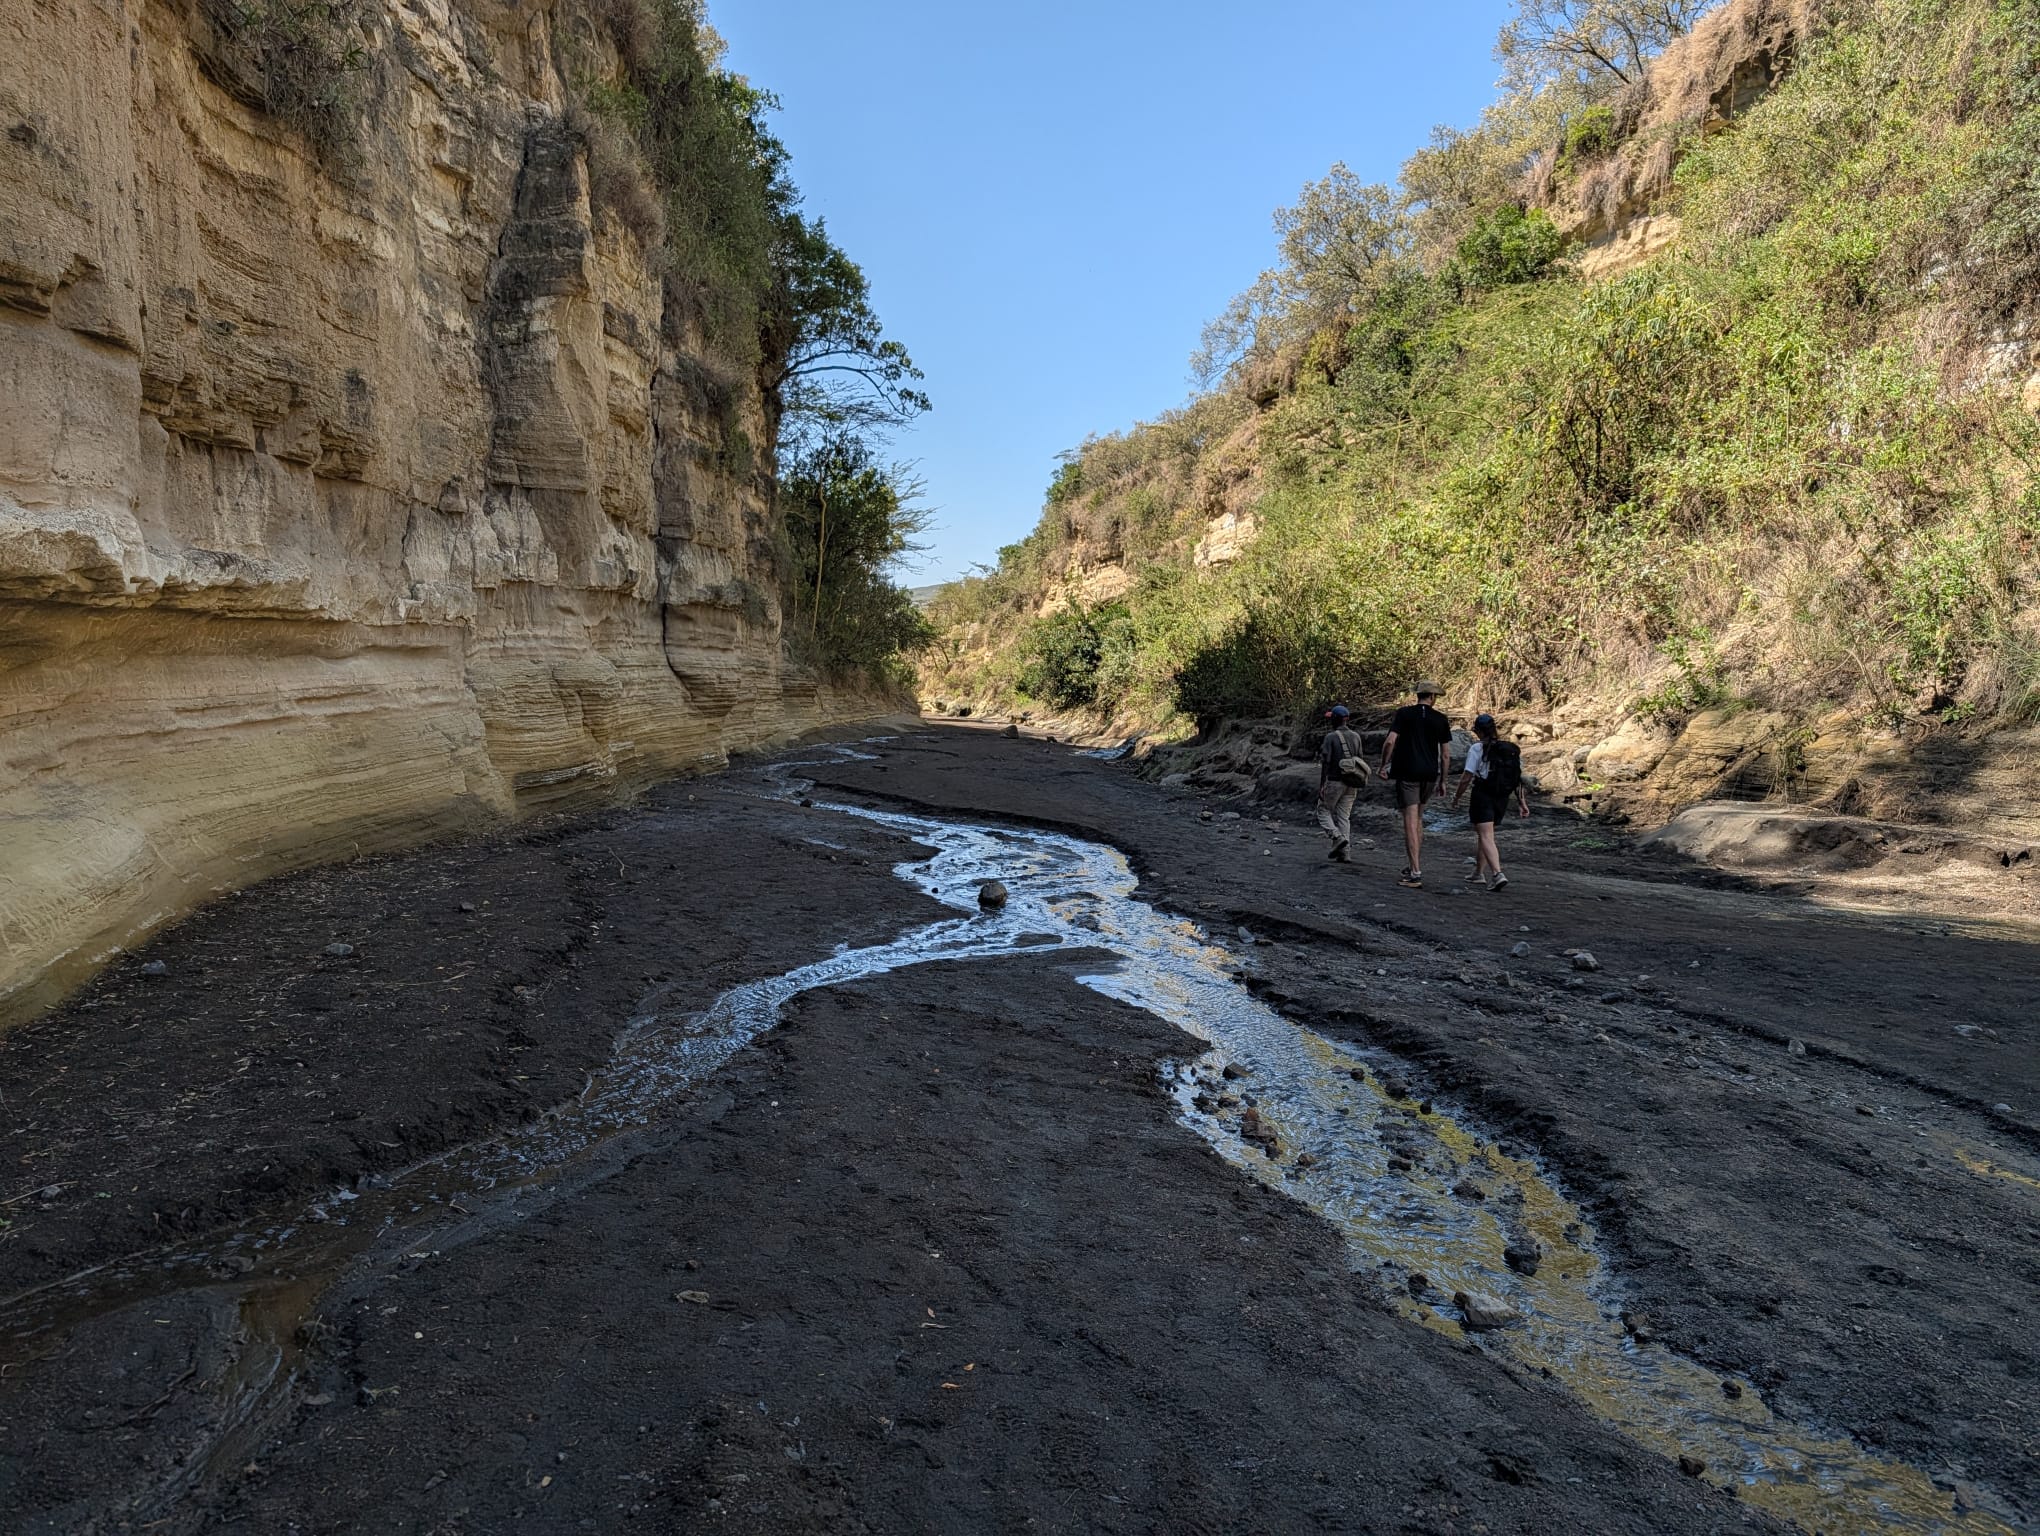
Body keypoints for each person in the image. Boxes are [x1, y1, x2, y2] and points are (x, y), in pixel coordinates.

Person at [1377, 681, 1451, 888]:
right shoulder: (1441, 719)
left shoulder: (1404, 714)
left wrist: (1383, 765)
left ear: (1417, 695)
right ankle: (1413, 866)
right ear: (1433, 698)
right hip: (1429, 773)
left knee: (1409, 821)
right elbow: (1445, 755)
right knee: (1418, 818)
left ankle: (1415, 872)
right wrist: (1443, 780)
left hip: (1407, 772)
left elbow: (1390, 741)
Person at [1450, 712, 1529, 890]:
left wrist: (1457, 797)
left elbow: (1467, 776)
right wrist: (1522, 803)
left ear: (1478, 731)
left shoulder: (1477, 749)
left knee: (1486, 836)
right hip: (1502, 797)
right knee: (1486, 836)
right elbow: (1517, 778)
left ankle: (1497, 874)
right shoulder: (1510, 749)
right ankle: (1478, 873)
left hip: (1483, 794)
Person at [1316, 705, 1367, 862]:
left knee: (1323, 810)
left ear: (1335, 719)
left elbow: (1326, 761)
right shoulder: (1356, 736)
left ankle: (1336, 836)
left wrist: (1322, 784)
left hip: (1334, 781)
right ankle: (1346, 853)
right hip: (1352, 783)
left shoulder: (1331, 737)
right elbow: (1360, 758)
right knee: (1344, 817)